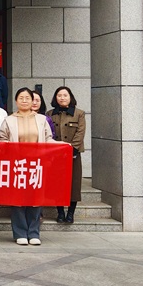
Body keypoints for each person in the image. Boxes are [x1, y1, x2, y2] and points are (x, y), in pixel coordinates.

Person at [0, 87, 57, 246]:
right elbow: (1, 139)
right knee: (17, 200)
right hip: (17, 165)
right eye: (21, 98)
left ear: (32, 101)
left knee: (35, 199)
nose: (24, 101)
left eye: (27, 98)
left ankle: (34, 232)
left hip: (36, 164)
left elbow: (48, 139)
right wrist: (6, 145)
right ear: (16, 101)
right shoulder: (9, 120)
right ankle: (20, 233)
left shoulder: (42, 119)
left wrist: (61, 145)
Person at [48, 86, 86, 224]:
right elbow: (49, 133)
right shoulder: (50, 114)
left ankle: (70, 213)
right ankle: (60, 212)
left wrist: (72, 149)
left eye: (65, 95)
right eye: (59, 95)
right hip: (56, 155)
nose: (62, 98)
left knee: (74, 184)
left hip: (73, 154)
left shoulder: (79, 113)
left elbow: (80, 132)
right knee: (58, 184)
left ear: (70, 97)